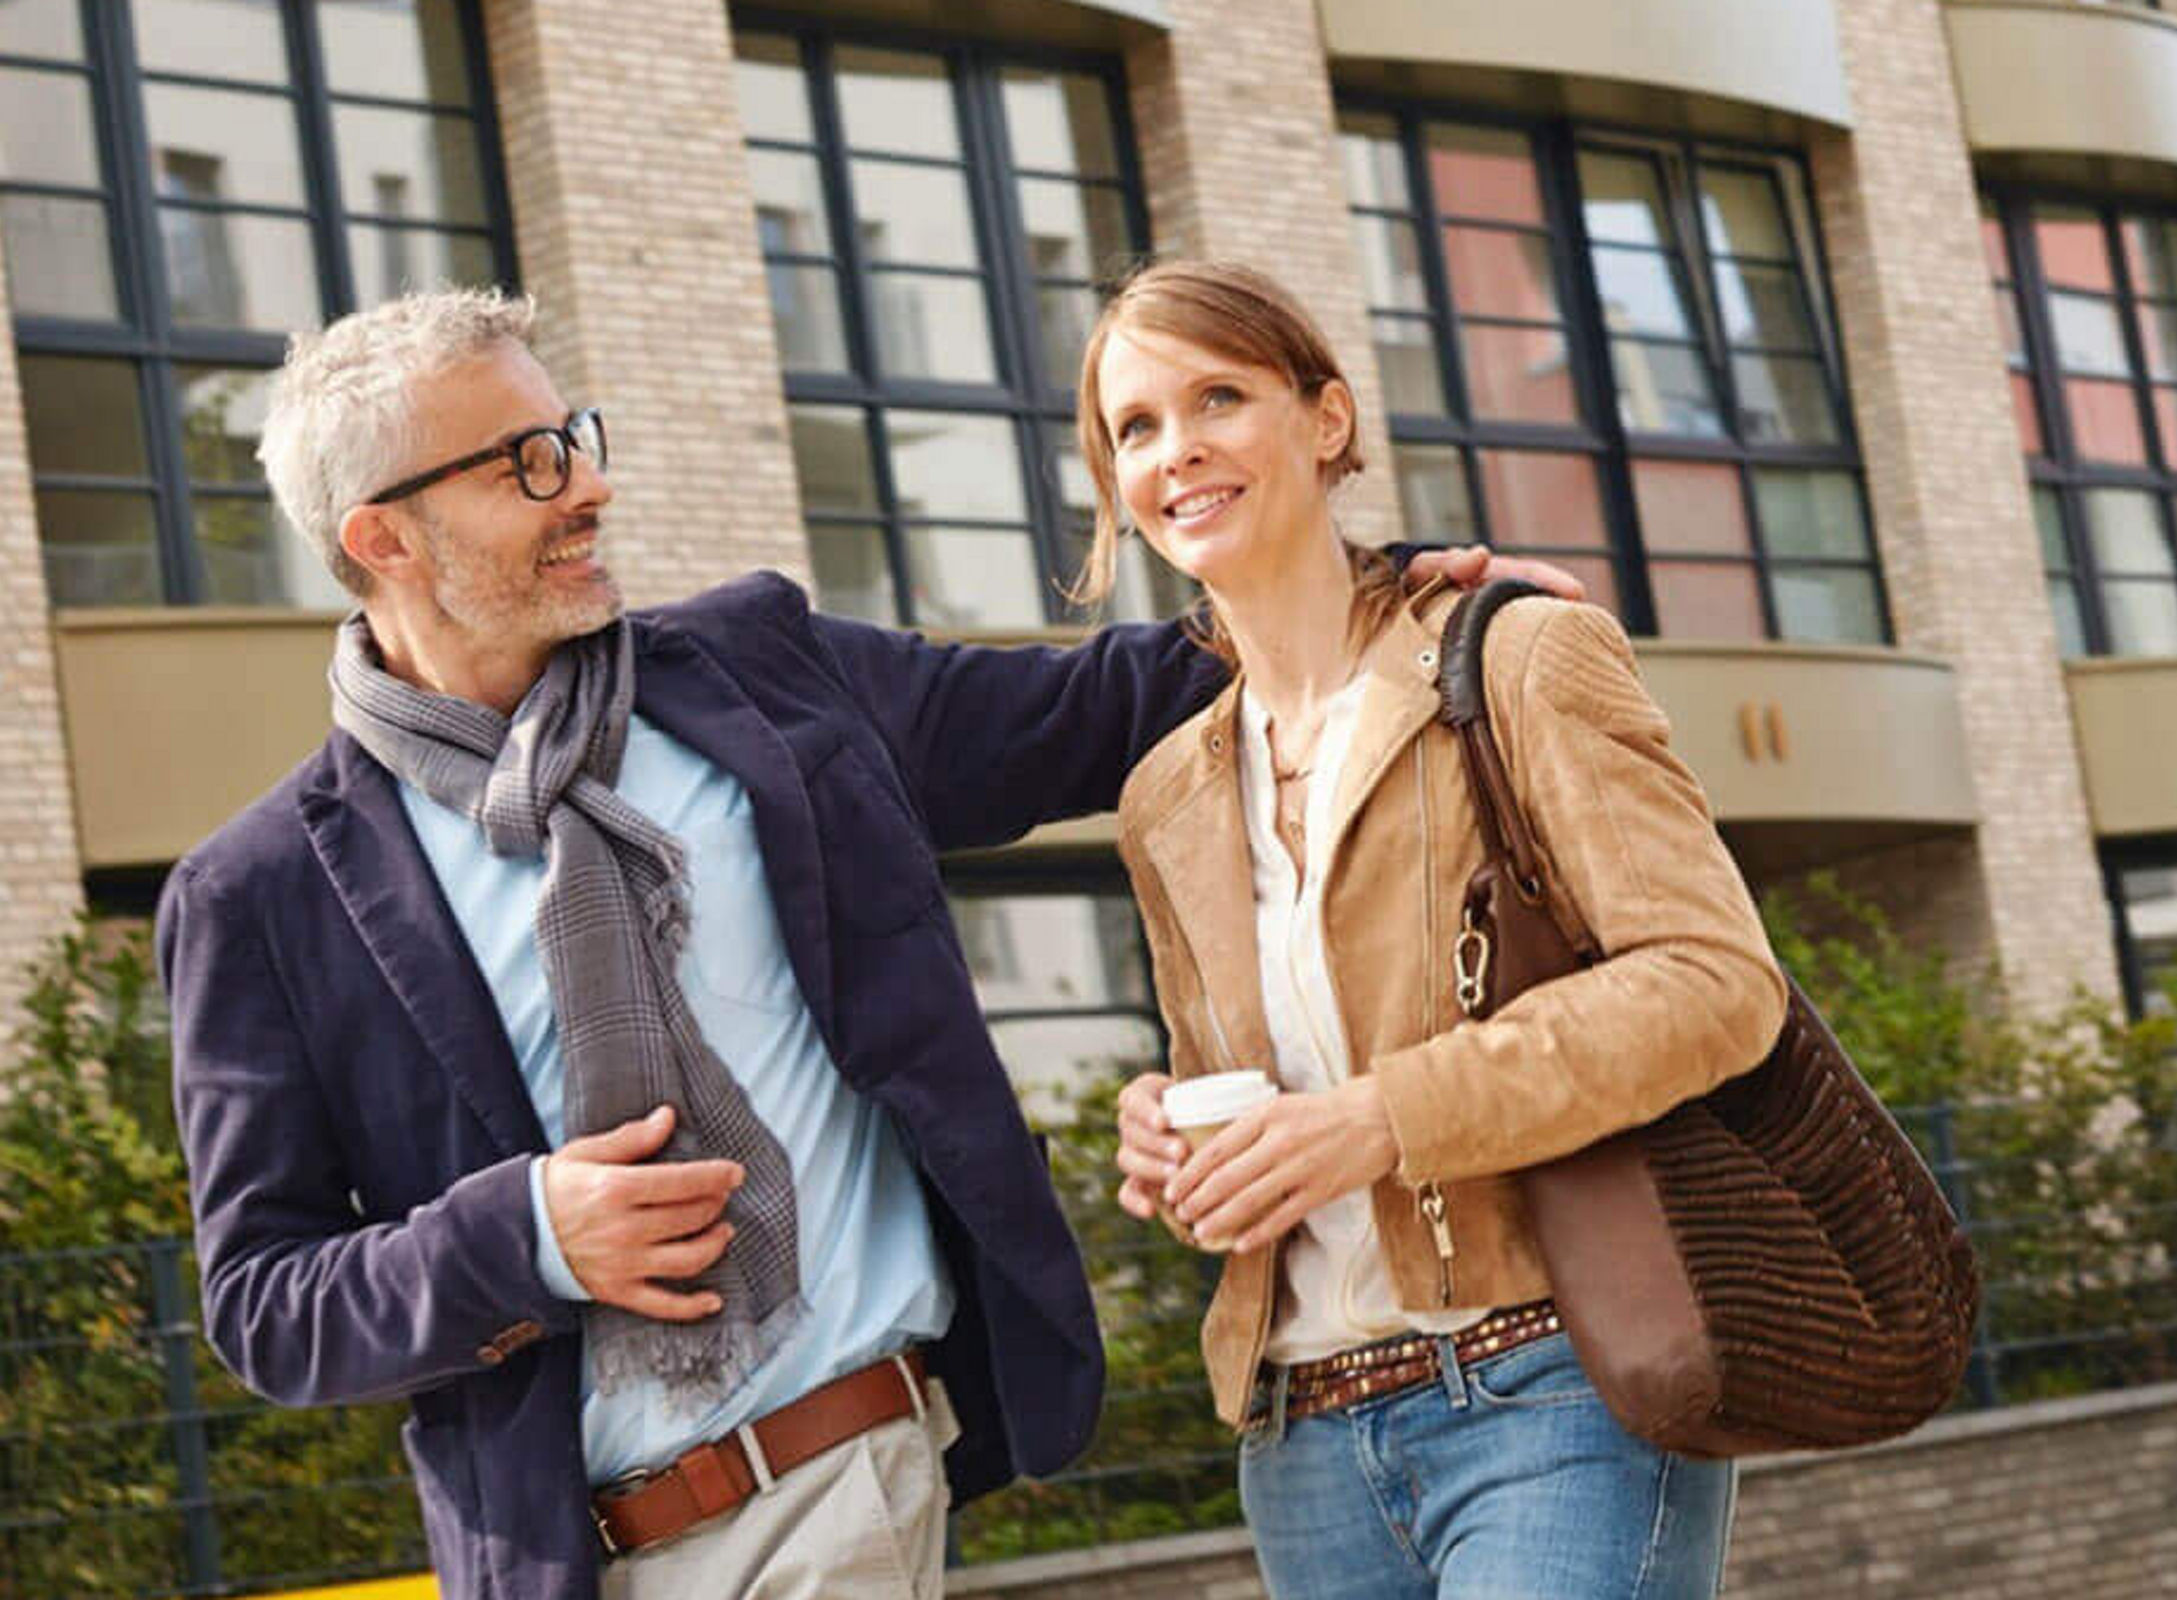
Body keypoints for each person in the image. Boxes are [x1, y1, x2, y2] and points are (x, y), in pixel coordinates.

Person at [158, 286, 1568, 1600]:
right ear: (381, 538)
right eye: (525, 463)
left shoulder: (759, 678)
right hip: (554, 1561)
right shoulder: (263, 894)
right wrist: (524, 1234)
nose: (587, 486)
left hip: (846, 1477)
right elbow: (267, 1303)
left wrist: (1393, 605)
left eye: (574, 440)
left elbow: (1077, 714)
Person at [1091, 262, 1788, 1599]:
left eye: (1219, 397)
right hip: (1304, 1439)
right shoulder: (1165, 794)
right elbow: (1256, 1108)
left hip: (1553, 1387)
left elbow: (1714, 985)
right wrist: (1172, 1138)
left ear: (1329, 419)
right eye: (1136, 427)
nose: (1177, 451)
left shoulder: (1514, 661)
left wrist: (1382, 1117)